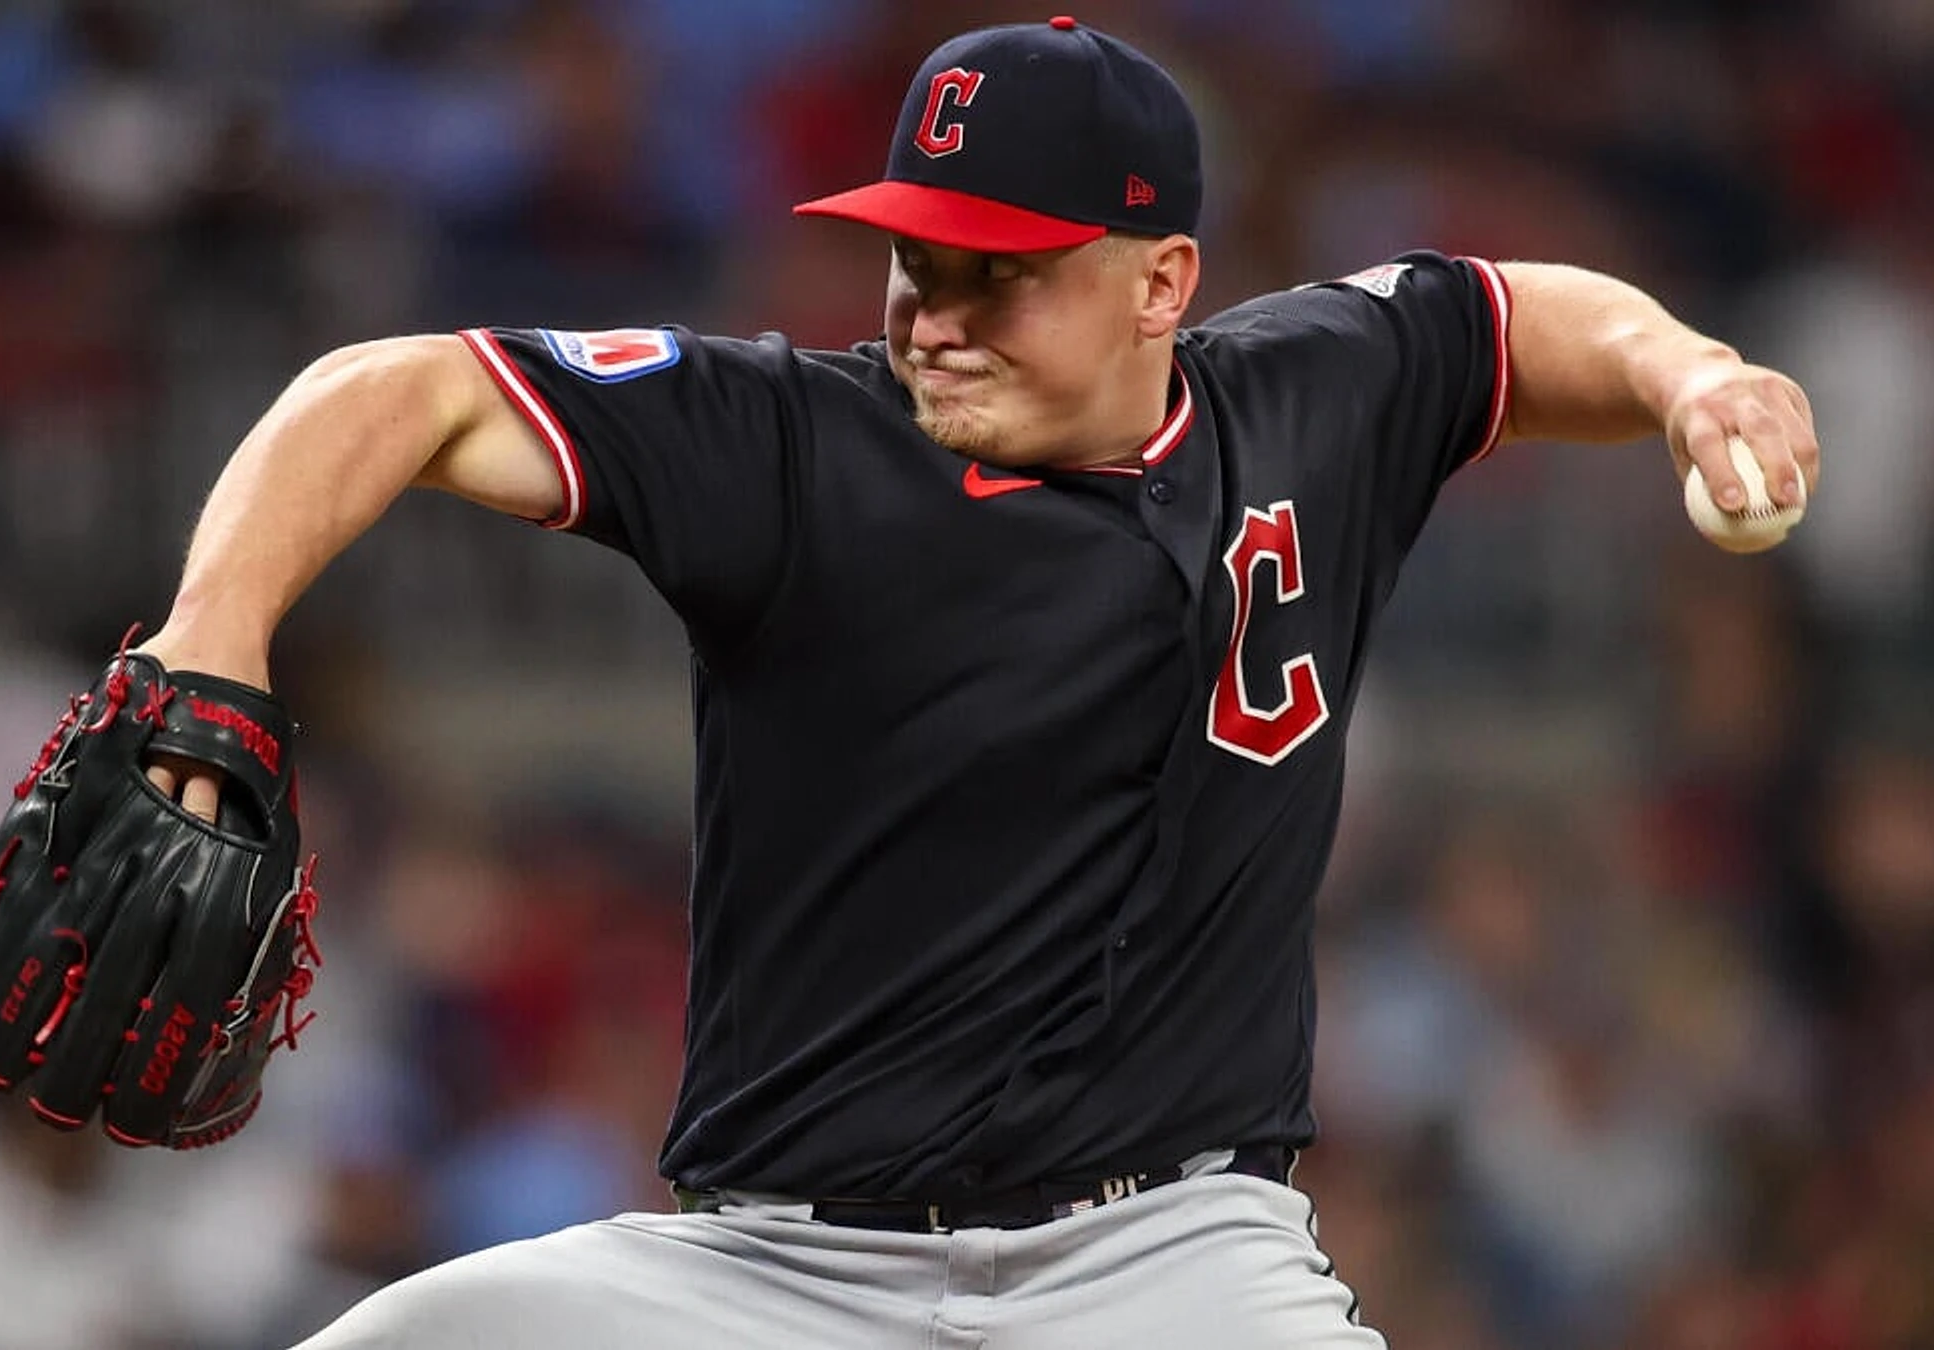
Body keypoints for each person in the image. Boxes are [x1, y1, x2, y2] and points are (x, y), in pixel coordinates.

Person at [136, 17, 1819, 1348]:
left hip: (1174, 1257)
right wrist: (207, 637)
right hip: (776, 1272)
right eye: (916, 259)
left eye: (997, 270)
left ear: (1161, 280)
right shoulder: (789, 445)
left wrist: (1692, 374)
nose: (935, 313)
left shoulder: (1313, 397)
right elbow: (399, 390)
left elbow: (1512, 319)